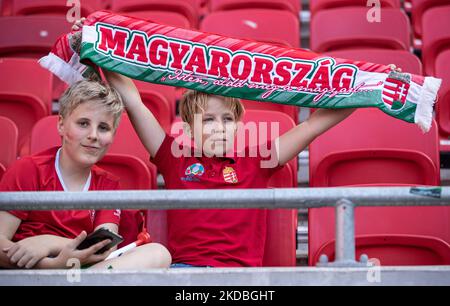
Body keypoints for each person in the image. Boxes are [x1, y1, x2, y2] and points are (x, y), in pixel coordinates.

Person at [0, 79, 171, 269]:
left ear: (113, 135)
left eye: (103, 128)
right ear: (61, 125)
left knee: (158, 253)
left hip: (83, 270)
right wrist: (53, 264)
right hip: (29, 272)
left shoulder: (108, 185)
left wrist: (48, 242)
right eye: (83, 123)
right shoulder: (27, 169)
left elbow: (102, 247)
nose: (94, 135)